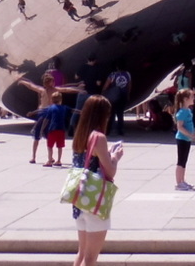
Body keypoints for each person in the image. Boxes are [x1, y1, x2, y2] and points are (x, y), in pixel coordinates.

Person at [69, 95, 124, 266]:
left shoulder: (80, 133)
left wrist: (105, 154)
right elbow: (110, 171)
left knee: (81, 253)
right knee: (91, 258)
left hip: (79, 197)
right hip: (94, 200)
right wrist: (114, 156)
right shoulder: (99, 137)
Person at [173, 88, 195, 190]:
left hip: (187, 139)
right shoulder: (182, 112)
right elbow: (180, 127)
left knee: (184, 161)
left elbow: (190, 125)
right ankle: (178, 183)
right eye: (192, 96)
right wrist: (190, 135)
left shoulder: (188, 111)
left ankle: (182, 181)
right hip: (182, 139)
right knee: (181, 161)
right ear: (185, 99)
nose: (194, 99)